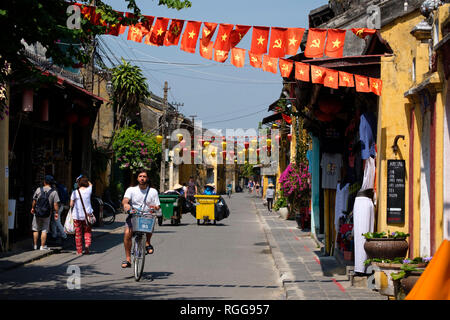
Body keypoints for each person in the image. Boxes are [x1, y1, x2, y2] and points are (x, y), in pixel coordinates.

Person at [121, 169, 160, 268]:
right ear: (137, 178)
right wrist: (126, 205)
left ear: (147, 178)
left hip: (147, 214)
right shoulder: (131, 190)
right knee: (127, 234)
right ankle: (128, 259)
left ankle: (147, 243)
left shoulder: (153, 191)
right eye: (140, 176)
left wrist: (155, 207)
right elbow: (125, 200)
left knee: (150, 221)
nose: (142, 178)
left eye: (144, 176)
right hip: (134, 215)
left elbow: (157, 205)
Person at [30, 175, 60, 250]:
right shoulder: (54, 192)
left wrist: (33, 208)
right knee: (44, 229)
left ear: (44, 182)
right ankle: (42, 246)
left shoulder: (38, 189)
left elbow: (34, 200)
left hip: (37, 212)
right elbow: (55, 204)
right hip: (47, 213)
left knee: (35, 229)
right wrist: (56, 213)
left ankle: (35, 245)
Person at [69, 175, 93, 255]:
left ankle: (79, 251)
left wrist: (78, 180)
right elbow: (91, 184)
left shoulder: (75, 192)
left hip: (77, 216)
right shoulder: (89, 190)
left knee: (78, 234)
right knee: (87, 231)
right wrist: (84, 179)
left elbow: (71, 204)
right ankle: (87, 246)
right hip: (87, 216)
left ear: (78, 183)